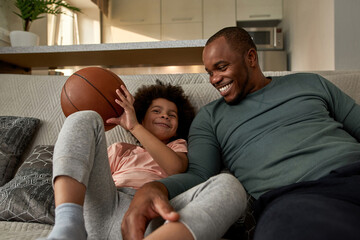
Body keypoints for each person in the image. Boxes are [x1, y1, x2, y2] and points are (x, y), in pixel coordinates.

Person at [122, 26, 360, 240]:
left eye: (221, 67)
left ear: (251, 57)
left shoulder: (309, 83)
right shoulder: (210, 118)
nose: (214, 79)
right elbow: (199, 176)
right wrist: (153, 188)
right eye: (209, 72)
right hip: (294, 199)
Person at [44, 80, 218, 240]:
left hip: (147, 212)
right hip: (106, 203)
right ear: (141, 117)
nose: (165, 116)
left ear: (179, 126)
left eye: (172, 115)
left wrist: (135, 127)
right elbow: (93, 177)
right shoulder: (121, 149)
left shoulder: (178, 146)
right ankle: (67, 224)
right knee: (84, 116)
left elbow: (175, 168)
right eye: (156, 111)